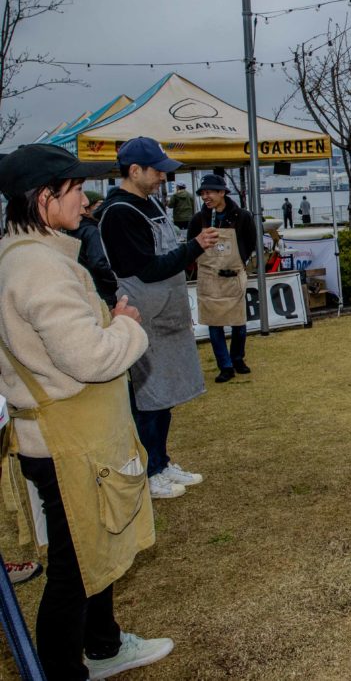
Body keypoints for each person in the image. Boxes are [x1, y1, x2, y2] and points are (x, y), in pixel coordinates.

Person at [0, 143, 174, 680]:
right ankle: (63, 668)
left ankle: (103, 643)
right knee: (74, 568)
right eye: (75, 189)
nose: (85, 200)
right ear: (44, 198)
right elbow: (90, 358)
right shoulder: (39, 267)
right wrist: (125, 325)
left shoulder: (23, 255)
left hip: (65, 435)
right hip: (67, 441)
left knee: (90, 551)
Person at [97, 137, 217, 499]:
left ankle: (161, 462)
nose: (163, 178)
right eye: (157, 171)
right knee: (148, 399)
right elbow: (147, 269)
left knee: (164, 397)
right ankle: (148, 472)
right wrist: (194, 247)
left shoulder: (148, 203)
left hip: (165, 313)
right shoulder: (119, 212)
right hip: (144, 314)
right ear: (135, 171)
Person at [187, 174, 257, 384]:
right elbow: (191, 245)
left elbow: (250, 241)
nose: (205, 197)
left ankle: (237, 358)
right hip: (209, 277)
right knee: (214, 323)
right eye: (202, 193)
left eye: (209, 192)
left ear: (222, 192)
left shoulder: (242, 216)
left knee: (239, 322)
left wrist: (238, 260)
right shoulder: (198, 219)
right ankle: (224, 365)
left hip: (233, 275)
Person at [66, 189, 118, 308]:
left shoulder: (75, 229)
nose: (102, 209)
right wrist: (115, 281)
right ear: (86, 210)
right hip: (103, 292)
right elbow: (99, 263)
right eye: (98, 206)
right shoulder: (92, 231)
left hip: (87, 289)